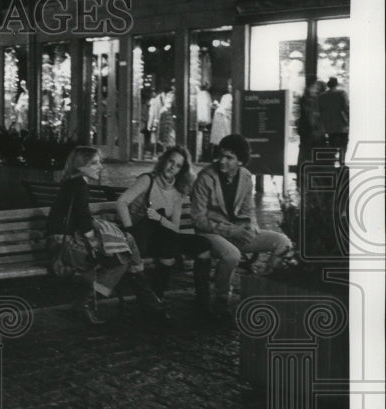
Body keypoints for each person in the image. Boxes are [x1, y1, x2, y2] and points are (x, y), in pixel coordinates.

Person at [47, 146, 162, 325]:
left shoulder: (72, 183)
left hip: (61, 243)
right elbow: (83, 218)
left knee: (125, 248)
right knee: (123, 257)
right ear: (80, 165)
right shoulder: (79, 184)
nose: (100, 166)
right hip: (65, 247)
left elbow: (79, 218)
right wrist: (95, 242)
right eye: (94, 163)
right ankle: (141, 295)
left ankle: (142, 292)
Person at [190, 134, 292, 318]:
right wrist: (232, 231)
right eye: (221, 155)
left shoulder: (245, 176)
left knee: (282, 242)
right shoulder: (205, 177)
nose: (222, 161)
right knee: (232, 255)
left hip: (236, 231)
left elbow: (249, 209)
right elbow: (198, 219)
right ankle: (221, 299)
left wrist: (251, 226)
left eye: (229, 157)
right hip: (209, 233)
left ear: (240, 161)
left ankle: (264, 285)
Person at [115, 146, 214, 316]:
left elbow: (174, 227)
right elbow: (121, 202)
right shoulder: (148, 180)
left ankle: (203, 301)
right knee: (168, 248)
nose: (172, 167)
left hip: (164, 235)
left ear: (182, 170)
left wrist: (159, 218)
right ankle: (156, 301)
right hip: (142, 237)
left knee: (203, 245)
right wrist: (130, 231)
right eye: (171, 161)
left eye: (178, 165)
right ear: (163, 161)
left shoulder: (178, 191)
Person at [317, 76, 349, 163]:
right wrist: (347, 122)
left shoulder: (321, 97)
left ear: (328, 85)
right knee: (343, 146)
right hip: (341, 126)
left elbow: (319, 112)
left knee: (332, 145)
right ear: (336, 84)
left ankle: (331, 162)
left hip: (328, 127)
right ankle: (342, 162)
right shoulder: (342, 94)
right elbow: (346, 109)